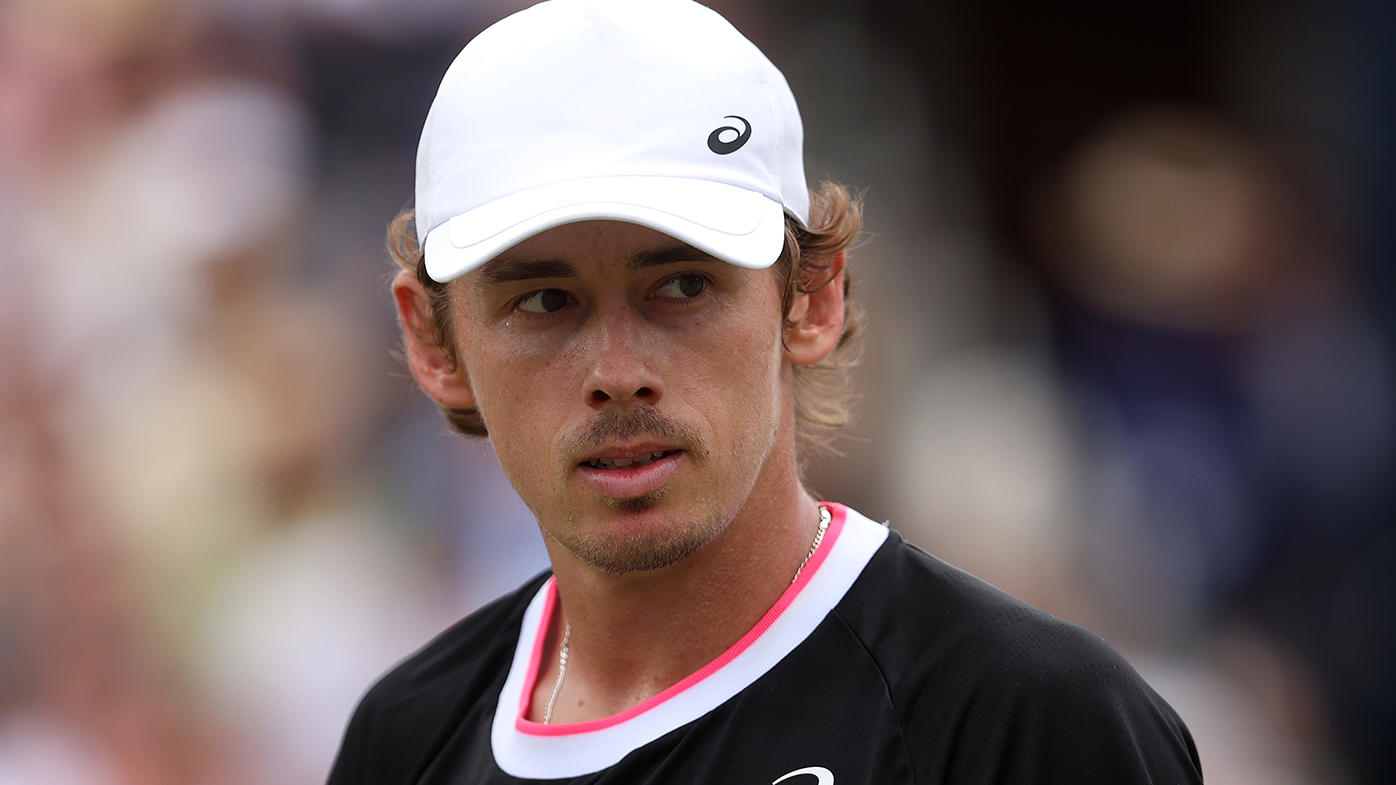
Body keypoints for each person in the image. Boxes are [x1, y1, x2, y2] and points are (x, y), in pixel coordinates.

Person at [328, 0, 1204, 782]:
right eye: (545, 300)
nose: (617, 370)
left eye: (681, 286)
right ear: (433, 341)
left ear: (814, 297)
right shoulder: (403, 738)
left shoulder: (1025, 720)